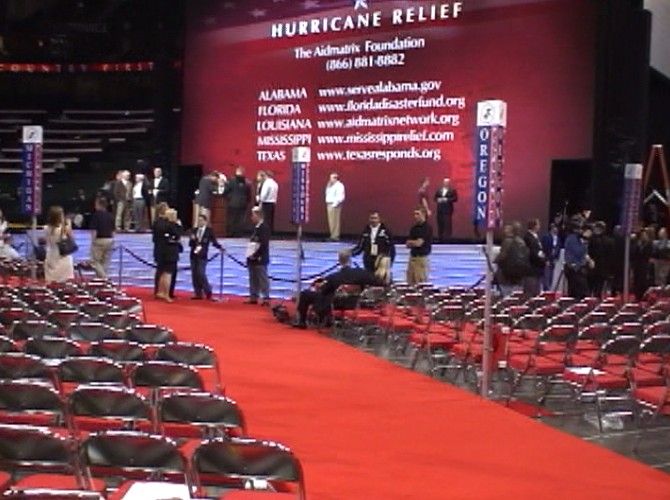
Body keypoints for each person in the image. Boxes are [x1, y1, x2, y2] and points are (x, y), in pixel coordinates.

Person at [293, 250, 383, 328]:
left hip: (336, 303)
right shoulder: (361, 273)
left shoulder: (334, 277)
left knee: (305, 294)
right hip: (354, 303)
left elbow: (323, 290)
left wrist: (319, 286)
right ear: (350, 260)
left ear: (339, 261)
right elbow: (378, 282)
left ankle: (301, 321)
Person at [351, 211, 395, 284]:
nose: (373, 220)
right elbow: (360, 246)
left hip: (381, 261)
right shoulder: (365, 231)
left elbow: (391, 248)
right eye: (371, 218)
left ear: (379, 219)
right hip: (368, 260)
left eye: (375, 218)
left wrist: (390, 262)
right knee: (369, 280)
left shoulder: (386, 232)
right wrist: (351, 253)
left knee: (381, 280)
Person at [189, 214, 223, 300]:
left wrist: (220, 247)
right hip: (193, 254)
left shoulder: (209, 231)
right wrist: (192, 239)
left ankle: (207, 290)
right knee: (194, 274)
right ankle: (198, 293)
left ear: (205, 221)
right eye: (198, 220)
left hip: (203, 255)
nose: (199, 222)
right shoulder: (194, 230)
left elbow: (214, 241)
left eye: (201, 220)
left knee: (201, 273)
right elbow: (190, 244)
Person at [155, 208, 183, 302]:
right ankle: (166, 294)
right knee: (168, 274)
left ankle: (160, 292)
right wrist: (179, 226)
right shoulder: (173, 226)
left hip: (161, 251)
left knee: (162, 273)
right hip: (170, 252)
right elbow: (178, 234)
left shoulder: (160, 224)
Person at [495, 222, 530, 297]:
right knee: (516, 297)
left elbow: (502, 257)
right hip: (519, 276)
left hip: (506, 275)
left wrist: (495, 260)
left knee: (505, 297)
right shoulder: (522, 242)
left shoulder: (507, 242)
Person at [245, 207, 270, 305]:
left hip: (260, 258)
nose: (251, 218)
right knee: (253, 278)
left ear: (258, 216)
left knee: (262, 278)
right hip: (252, 257)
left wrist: (256, 255)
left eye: (253, 215)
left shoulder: (264, 228)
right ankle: (253, 296)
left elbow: (264, 244)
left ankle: (265, 297)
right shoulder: (255, 228)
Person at [563, 218, 593, 300]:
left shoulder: (577, 239)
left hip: (578, 268)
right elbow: (578, 252)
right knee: (581, 293)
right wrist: (585, 241)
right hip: (575, 269)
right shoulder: (572, 239)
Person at [44, 206, 75, 283]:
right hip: (63, 257)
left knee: (51, 282)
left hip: (51, 255)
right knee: (65, 281)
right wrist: (69, 224)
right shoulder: (64, 229)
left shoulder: (46, 228)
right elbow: (72, 238)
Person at [88, 197, 114, 279]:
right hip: (109, 239)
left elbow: (94, 229)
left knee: (95, 261)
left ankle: (104, 278)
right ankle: (101, 279)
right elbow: (113, 230)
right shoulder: (110, 215)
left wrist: (93, 241)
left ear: (99, 205)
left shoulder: (96, 215)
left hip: (99, 239)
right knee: (105, 262)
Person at [406, 207, 433, 285]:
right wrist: (413, 243)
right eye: (414, 214)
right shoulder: (414, 228)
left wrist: (413, 243)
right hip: (412, 258)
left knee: (420, 282)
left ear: (423, 214)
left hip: (421, 259)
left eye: (417, 214)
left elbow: (419, 243)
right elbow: (407, 244)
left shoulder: (427, 228)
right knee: (410, 281)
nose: (415, 216)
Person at [587, 221, 614, 297]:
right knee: (595, 288)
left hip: (598, 268)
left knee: (595, 288)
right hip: (597, 268)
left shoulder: (592, 240)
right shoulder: (609, 241)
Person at [225, 166, 252, 237]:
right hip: (243, 203)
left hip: (232, 202)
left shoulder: (231, 181)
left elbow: (225, 191)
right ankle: (239, 234)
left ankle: (231, 233)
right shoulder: (247, 182)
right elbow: (248, 194)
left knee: (232, 219)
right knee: (241, 219)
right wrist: (247, 201)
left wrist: (228, 198)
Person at [522, 218, 545, 297]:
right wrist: (541, 259)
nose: (539, 226)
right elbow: (533, 252)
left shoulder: (536, 237)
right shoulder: (528, 237)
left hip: (537, 269)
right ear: (534, 226)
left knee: (536, 292)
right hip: (531, 268)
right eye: (538, 224)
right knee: (530, 292)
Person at [631, 227, 654, 301]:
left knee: (643, 281)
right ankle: (637, 296)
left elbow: (649, 254)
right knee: (636, 281)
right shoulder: (636, 243)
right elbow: (633, 253)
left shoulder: (649, 244)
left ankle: (644, 296)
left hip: (644, 265)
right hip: (637, 265)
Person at [434, 178, 458, 242]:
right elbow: (435, 198)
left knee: (447, 224)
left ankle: (447, 239)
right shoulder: (439, 190)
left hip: (448, 210)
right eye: (445, 182)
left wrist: (447, 199)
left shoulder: (452, 190)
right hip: (440, 210)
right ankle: (440, 238)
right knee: (440, 224)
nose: (446, 183)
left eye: (447, 182)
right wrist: (438, 199)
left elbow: (455, 199)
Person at [540, 223, 562, 291]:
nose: (556, 229)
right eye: (555, 228)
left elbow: (558, 248)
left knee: (551, 276)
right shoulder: (546, 237)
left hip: (553, 259)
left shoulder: (558, 239)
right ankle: (545, 289)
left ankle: (549, 288)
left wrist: (556, 258)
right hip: (547, 259)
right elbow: (543, 248)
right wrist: (545, 259)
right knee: (546, 275)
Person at [325, 173, 345, 241]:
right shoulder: (330, 185)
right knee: (331, 221)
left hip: (335, 204)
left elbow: (340, 196)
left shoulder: (339, 186)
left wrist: (335, 204)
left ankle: (335, 236)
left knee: (335, 221)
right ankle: (332, 235)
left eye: (331, 178)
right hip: (329, 204)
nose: (330, 179)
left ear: (335, 178)